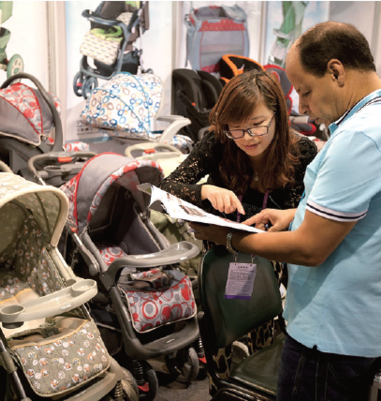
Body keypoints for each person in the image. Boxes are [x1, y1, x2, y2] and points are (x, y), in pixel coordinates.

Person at [191, 21, 381, 401]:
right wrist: (293, 215)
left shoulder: (358, 136)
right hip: (355, 327)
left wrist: (231, 237)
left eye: (307, 91)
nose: (305, 106)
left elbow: (310, 249)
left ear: (336, 71)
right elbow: (359, 214)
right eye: (236, 130)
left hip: (327, 337)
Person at [159, 69, 317, 392]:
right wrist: (203, 193)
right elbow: (165, 189)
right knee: (220, 332)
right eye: (237, 129)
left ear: (278, 114)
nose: (247, 137)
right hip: (220, 252)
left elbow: (302, 218)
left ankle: (253, 384)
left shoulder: (302, 153)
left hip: (268, 256)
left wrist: (289, 214)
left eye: (258, 125)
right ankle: (222, 388)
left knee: (263, 330)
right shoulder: (219, 142)